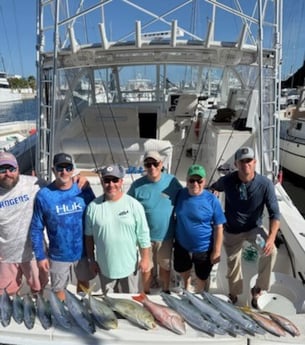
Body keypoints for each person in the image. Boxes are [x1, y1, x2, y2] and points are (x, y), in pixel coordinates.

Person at [210, 146, 280, 307]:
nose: (245, 164)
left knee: (271, 251)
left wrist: (271, 238)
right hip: (232, 230)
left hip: (254, 229)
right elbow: (214, 186)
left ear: (255, 162)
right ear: (236, 164)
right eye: (242, 161)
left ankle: (258, 289)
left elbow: (275, 214)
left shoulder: (265, 184)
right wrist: (214, 191)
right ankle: (234, 294)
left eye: (249, 161)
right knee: (233, 262)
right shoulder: (228, 180)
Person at [30, 153, 96, 301]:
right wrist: (40, 256)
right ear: (54, 170)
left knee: (84, 286)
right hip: (58, 255)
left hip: (83, 253)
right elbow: (36, 228)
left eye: (68, 168)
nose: (64, 172)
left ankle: (83, 312)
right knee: (58, 291)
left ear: (73, 170)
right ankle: (63, 318)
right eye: (60, 168)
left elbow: (95, 216)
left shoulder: (83, 189)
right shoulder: (43, 195)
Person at [85, 163, 151, 293]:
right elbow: (89, 238)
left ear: (121, 182)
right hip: (105, 269)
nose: (111, 184)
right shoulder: (92, 207)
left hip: (129, 268)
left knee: (130, 306)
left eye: (115, 180)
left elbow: (143, 234)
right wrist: (91, 260)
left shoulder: (134, 205)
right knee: (108, 307)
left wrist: (145, 258)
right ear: (102, 182)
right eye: (107, 180)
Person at [128, 151, 182, 294]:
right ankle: (145, 293)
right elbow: (126, 206)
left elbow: (185, 197)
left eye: (155, 164)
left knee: (165, 266)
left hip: (166, 236)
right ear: (145, 166)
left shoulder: (172, 182)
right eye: (148, 164)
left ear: (161, 165)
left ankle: (165, 291)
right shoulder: (136, 186)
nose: (152, 167)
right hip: (145, 237)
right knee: (146, 268)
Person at [0, 152, 49, 295]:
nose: (8, 173)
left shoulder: (34, 183)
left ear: (18, 169)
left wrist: (79, 180)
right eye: (2, 170)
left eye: (11, 169)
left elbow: (61, 188)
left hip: (33, 253)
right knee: (6, 293)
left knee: (38, 289)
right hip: (5, 255)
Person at [173, 164, 226, 293]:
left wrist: (217, 251)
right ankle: (186, 287)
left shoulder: (212, 200)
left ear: (205, 181)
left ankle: (199, 292)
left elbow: (219, 227)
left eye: (199, 181)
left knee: (202, 275)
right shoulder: (180, 194)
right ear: (187, 180)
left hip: (204, 248)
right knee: (183, 269)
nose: (195, 184)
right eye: (192, 180)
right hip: (182, 245)